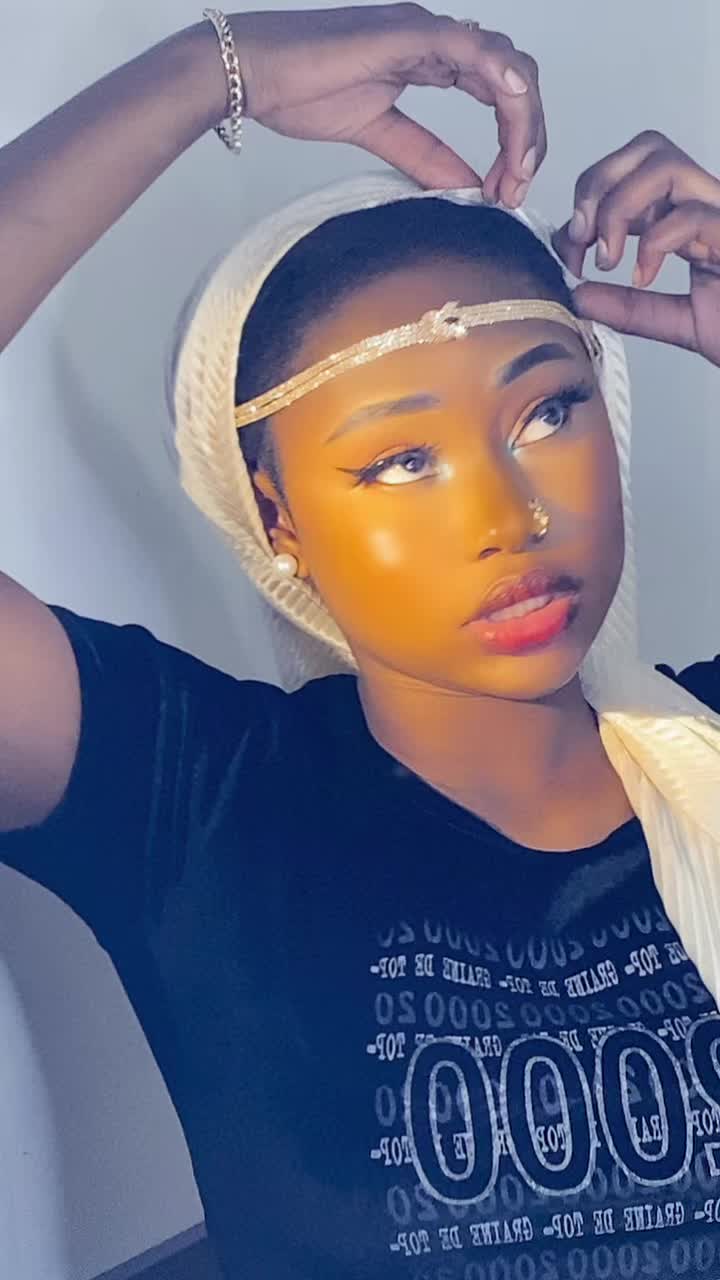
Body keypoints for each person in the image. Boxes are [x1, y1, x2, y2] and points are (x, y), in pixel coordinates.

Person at [1, 6, 720, 1279]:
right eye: (399, 459)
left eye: (548, 409)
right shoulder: (197, 797)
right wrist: (212, 70)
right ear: (275, 516)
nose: (509, 515)